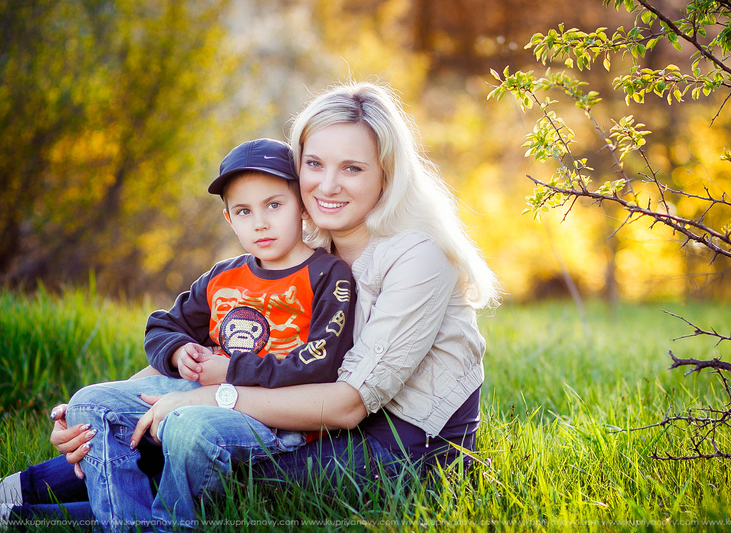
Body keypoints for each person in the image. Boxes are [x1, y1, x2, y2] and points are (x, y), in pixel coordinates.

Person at [1, 80, 500, 530]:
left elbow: (348, 405)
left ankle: (24, 512)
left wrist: (208, 397)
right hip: (309, 417)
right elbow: (208, 345)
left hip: (401, 442)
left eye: (352, 167)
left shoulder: (417, 258)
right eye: (314, 164)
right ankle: (20, 493)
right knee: (150, 431)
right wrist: (113, 406)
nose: (327, 185)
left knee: (206, 462)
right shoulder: (305, 250)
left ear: (386, 175)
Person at [0, 137, 356, 528]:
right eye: (244, 211)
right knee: (89, 403)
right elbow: (163, 325)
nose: (260, 223)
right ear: (229, 219)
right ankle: (129, 523)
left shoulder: (327, 274)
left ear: (302, 206)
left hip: (273, 419)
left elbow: (321, 362)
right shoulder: (224, 276)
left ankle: (163, 520)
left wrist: (230, 370)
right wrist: (177, 351)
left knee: (187, 426)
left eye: (274, 205)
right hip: (201, 392)